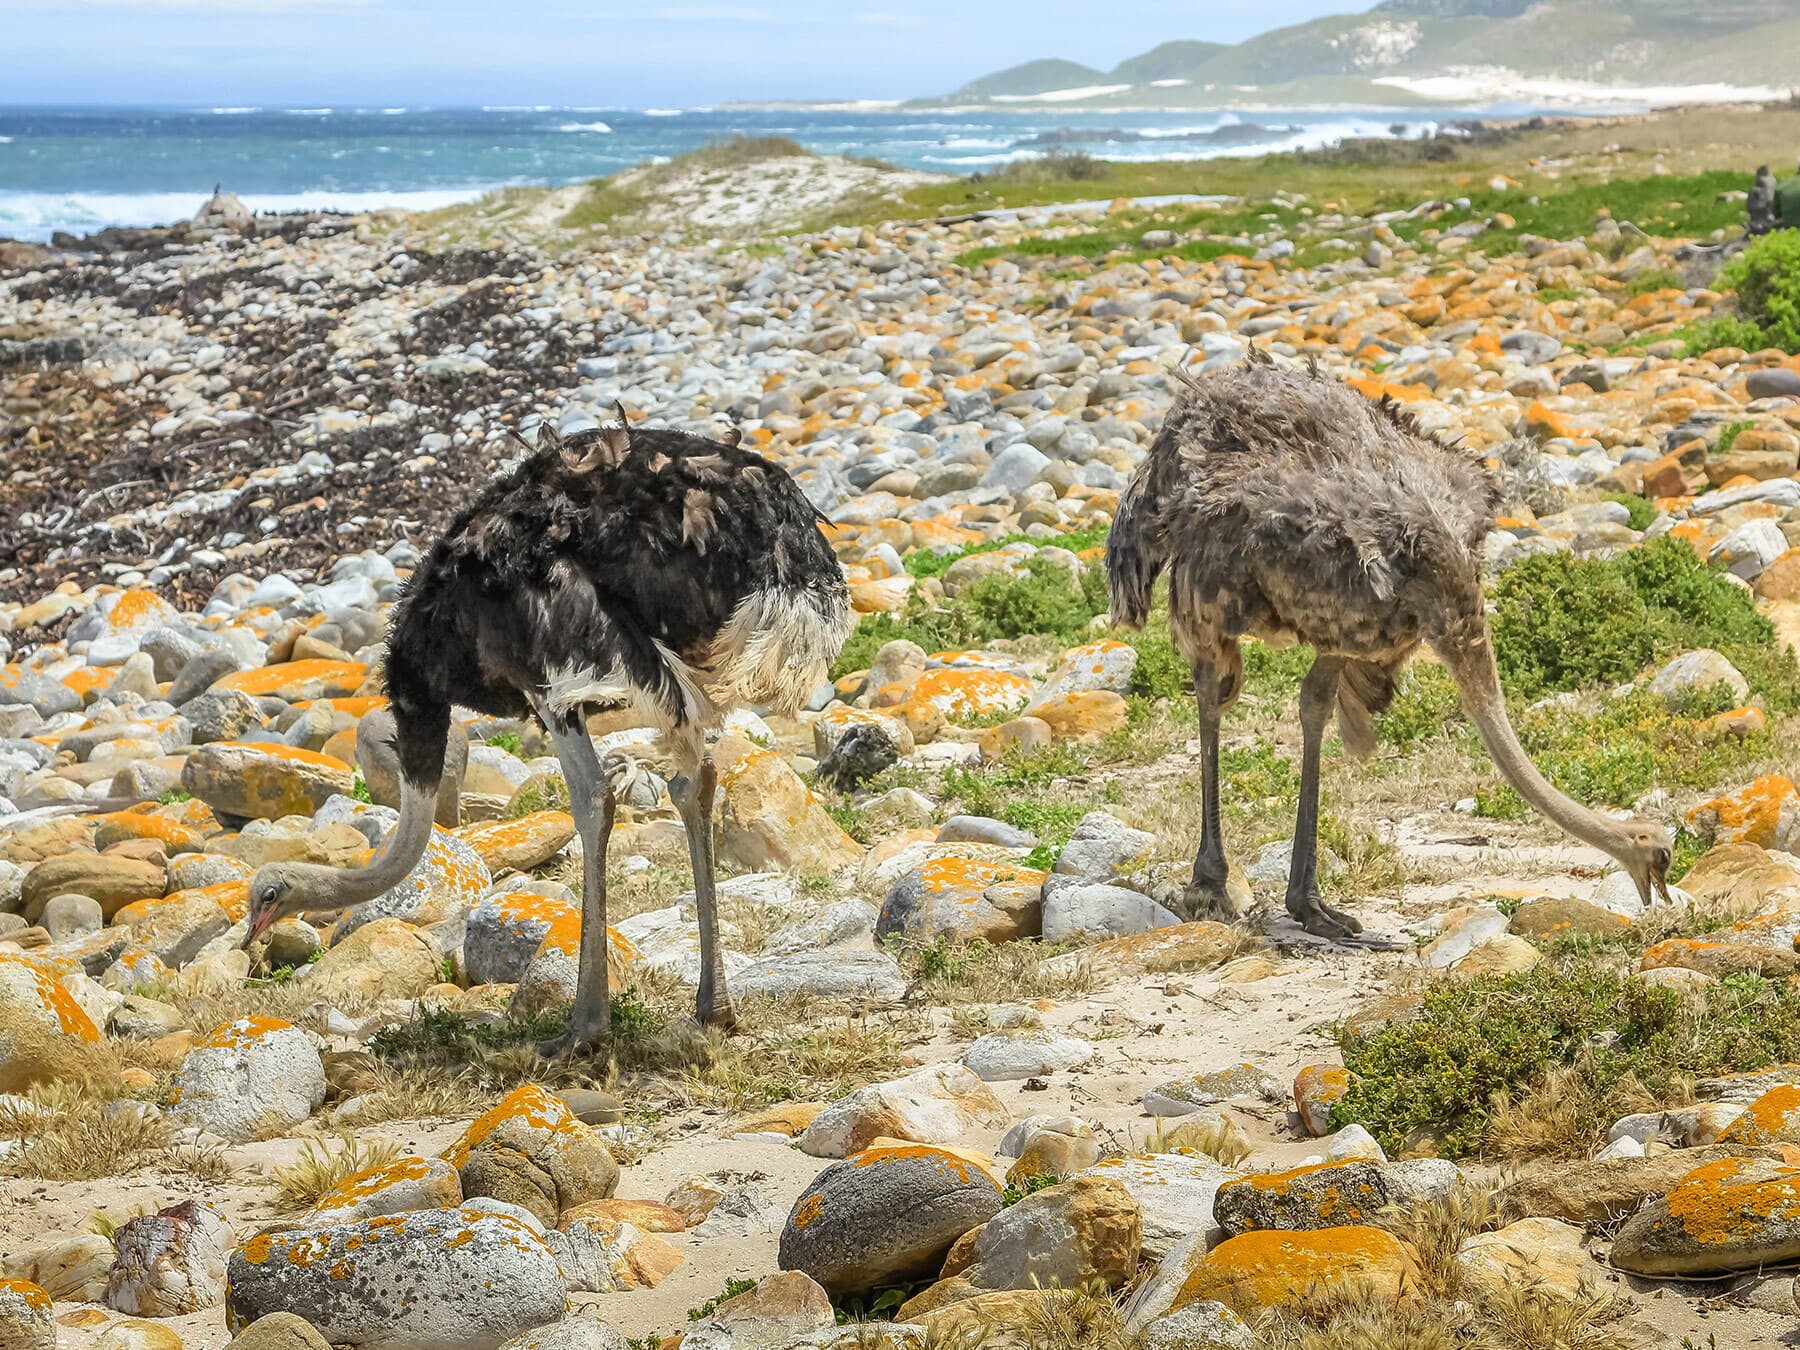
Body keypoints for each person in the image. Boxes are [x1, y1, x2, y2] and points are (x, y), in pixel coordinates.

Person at [1747, 165, 1777, 235]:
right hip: (1771, 213)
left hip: (1760, 216)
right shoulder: (1773, 180)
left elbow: (1749, 208)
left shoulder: (1758, 183)